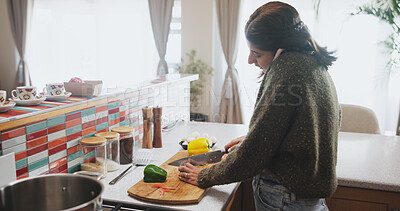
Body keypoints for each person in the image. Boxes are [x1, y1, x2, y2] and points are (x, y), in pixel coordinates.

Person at [178, 1, 341, 210]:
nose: (249, 60)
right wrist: (253, 139)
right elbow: (303, 129)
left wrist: (206, 175)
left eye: (257, 53)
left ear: (281, 45)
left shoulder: (287, 69)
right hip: (304, 198)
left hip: (284, 197)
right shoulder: (311, 62)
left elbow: (254, 154)